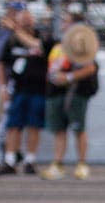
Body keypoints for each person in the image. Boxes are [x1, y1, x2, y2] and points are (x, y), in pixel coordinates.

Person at [41, 19, 98, 179]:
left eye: (66, 21)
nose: (62, 24)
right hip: (55, 93)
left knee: (78, 129)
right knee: (59, 130)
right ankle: (57, 163)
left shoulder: (79, 44)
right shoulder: (57, 46)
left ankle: (81, 163)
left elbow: (90, 67)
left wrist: (69, 77)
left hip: (74, 94)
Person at [0, 5, 45, 175]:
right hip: (17, 89)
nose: (26, 22)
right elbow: (1, 64)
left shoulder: (41, 37)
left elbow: (36, 45)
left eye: (28, 19)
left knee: (34, 125)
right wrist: (3, 87)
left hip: (38, 89)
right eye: (22, 19)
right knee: (13, 125)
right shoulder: (11, 41)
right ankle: (10, 160)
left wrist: (15, 28)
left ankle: (30, 160)